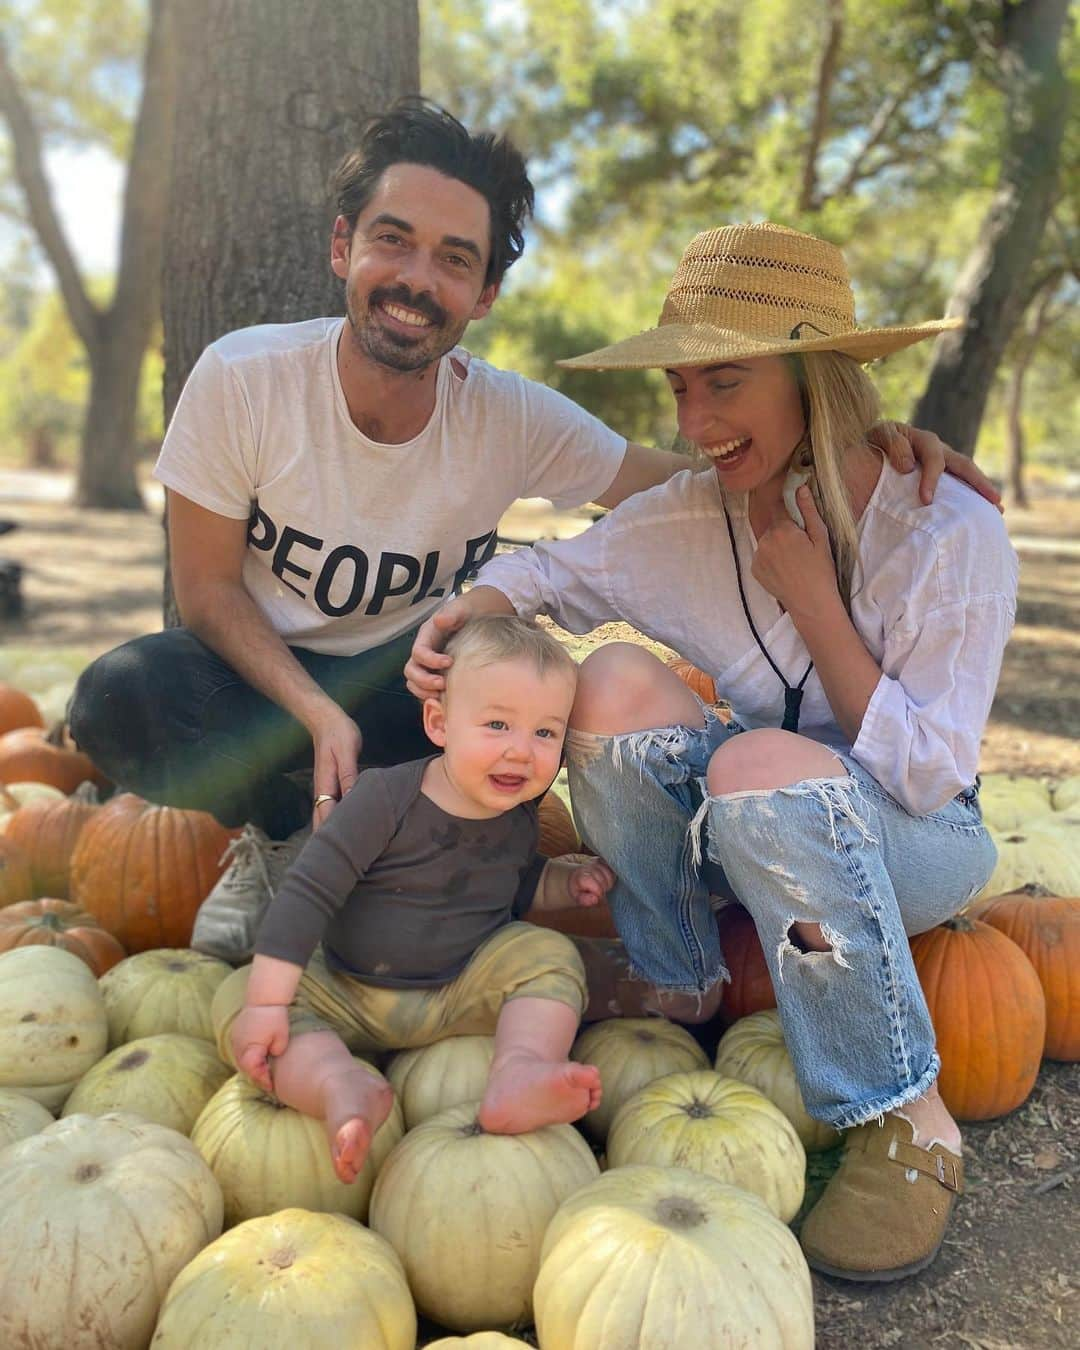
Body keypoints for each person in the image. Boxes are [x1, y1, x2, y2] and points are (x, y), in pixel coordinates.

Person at [67, 98, 989, 963]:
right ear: (344, 247)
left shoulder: (510, 417)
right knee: (120, 693)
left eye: (455, 259)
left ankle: (413, 872)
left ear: (487, 292)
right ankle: (281, 843)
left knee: (504, 700)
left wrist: (855, 448)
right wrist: (313, 715)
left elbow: (683, 480)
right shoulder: (244, 380)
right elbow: (207, 592)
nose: (418, 280)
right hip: (258, 682)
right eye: (395, 242)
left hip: (412, 683)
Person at [405, 222, 1019, 1282]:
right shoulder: (693, 514)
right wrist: (475, 609)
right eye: (682, 389)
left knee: (754, 764)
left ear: (813, 380)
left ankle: (906, 1112)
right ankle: (675, 977)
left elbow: (927, 774)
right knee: (609, 683)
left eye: (725, 383)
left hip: (916, 840)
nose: (696, 424)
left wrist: (816, 603)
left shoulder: (945, 531)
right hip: (757, 813)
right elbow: (552, 572)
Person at [218, 615, 612, 1183]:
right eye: (498, 724)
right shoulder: (383, 799)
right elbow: (307, 892)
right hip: (346, 989)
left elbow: (514, 886)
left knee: (548, 957)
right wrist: (267, 1004)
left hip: (457, 991)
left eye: (545, 733)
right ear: (439, 722)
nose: (522, 752)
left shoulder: (518, 818)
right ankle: (340, 1084)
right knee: (241, 1000)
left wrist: (561, 885)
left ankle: (520, 1071)